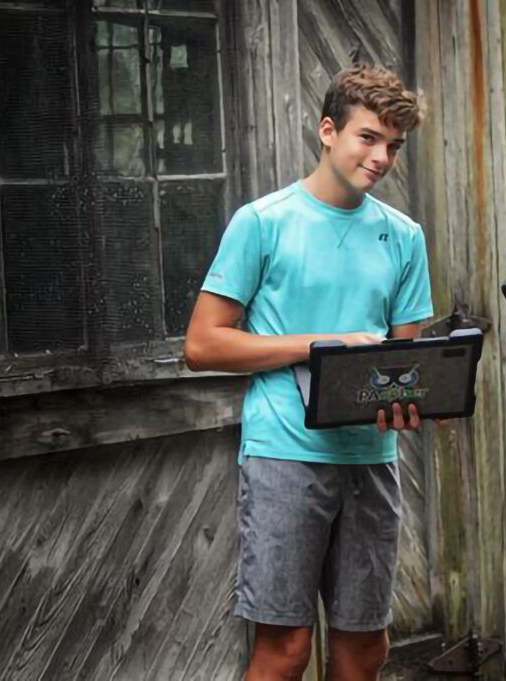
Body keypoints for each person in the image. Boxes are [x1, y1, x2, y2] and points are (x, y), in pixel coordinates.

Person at [184, 63, 432, 681]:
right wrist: (318, 346)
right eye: (368, 137)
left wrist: (410, 400)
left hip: (370, 460)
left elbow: (405, 367)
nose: (380, 157)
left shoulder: (403, 237)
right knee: (287, 649)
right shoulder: (263, 222)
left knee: (363, 647)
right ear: (328, 130)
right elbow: (203, 345)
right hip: (284, 457)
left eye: (394, 146)